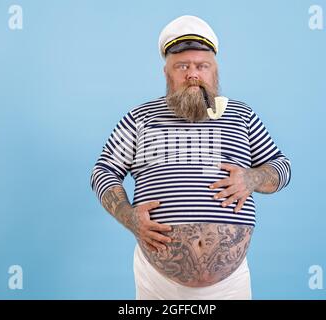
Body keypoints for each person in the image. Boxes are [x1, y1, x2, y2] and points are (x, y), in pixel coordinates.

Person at [90, 15, 292, 300]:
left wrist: (252, 177)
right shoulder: (140, 118)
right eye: (182, 66)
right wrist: (127, 216)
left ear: (215, 71)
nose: (192, 74)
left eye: (202, 66)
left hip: (230, 285)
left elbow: (282, 166)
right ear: (166, 73)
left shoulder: (242, 116)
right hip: (157, 282)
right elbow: (103, 171)